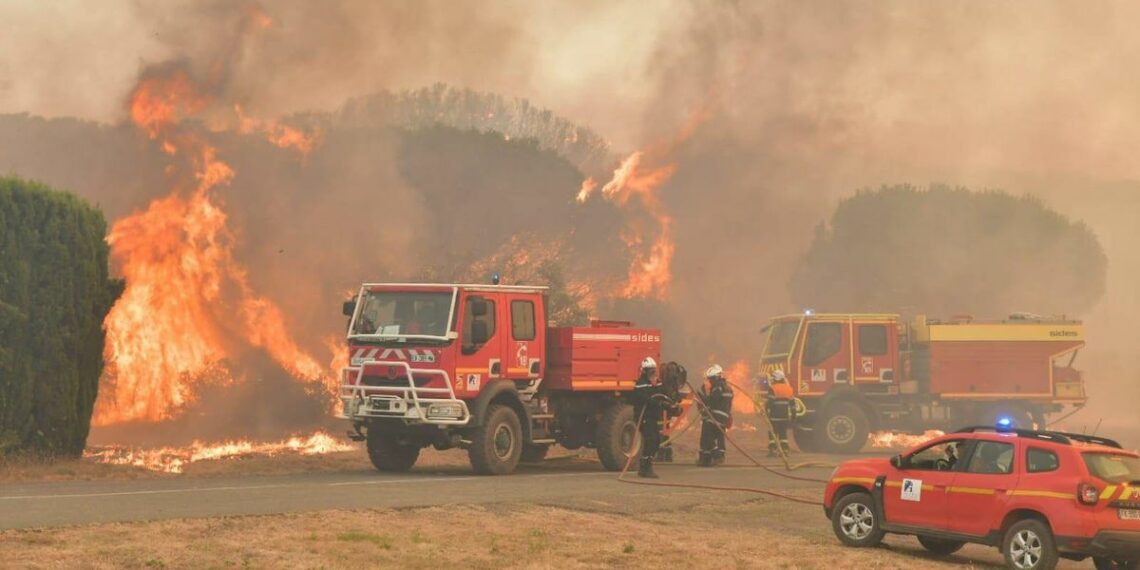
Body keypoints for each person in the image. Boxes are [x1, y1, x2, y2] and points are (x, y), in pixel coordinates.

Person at [631, 357, 679, 478]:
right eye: (650, 371)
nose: (652, 373)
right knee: (651, 440)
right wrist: (660, 403)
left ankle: (646, 465)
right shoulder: (640, 384)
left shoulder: (656, 382)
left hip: (653, 416)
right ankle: (645, 467)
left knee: (656, 440)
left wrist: (672, 406)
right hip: (644, 416)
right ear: (644, 371)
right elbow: (648, 399)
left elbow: (662, 395)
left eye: (653, 370)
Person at [697, 364, 734, 467]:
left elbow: (712, 401)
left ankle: (713, 456)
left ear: (717, 377)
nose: (710, 381)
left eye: (711, 379)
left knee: (707, 436)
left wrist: (702, 398)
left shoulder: (717, 387)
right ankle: (716, 457)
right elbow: (729, 404)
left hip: (714, 416)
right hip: (723, 417)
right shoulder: (728, 388)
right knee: (719, 436)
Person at [765, 370, 795, 457]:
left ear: (776, 379)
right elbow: (792, 405)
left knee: (773, 433)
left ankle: (773, 450)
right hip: (785, 416)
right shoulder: (789, 389)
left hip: (774, 416)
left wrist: (766, 410)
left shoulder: (773, 388)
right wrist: (793, 416)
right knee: (783, 433)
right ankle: (785, 451)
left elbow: (770, 402)